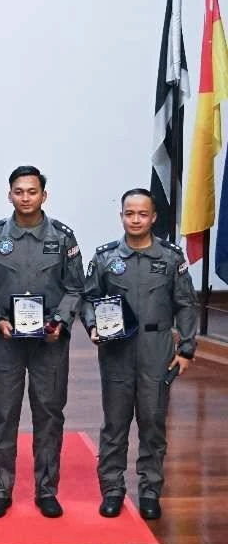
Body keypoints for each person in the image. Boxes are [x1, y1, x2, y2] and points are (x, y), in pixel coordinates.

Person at [0, 166, 85, 519]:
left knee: (49, 415)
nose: (25, 197)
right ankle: (0, 489)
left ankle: (46, 489)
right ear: (10, 195)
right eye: (18, 192)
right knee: (3, 416)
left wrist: (61, 321)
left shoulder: (63, 238)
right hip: (4, 340)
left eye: (32, 191)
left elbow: (75, 288)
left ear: (43, 195)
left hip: (49, 342)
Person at [81, 188, 198, 521]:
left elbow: (186, 304)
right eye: (129, 213)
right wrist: (93, 326)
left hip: (156, 349)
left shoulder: (171, 258)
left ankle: (149, 490)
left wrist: (186, 348)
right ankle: (113, 490)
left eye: (142, 214)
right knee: (115, 425)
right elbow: (89, 299)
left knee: (152, 423)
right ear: (121, 216)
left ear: (153, 217)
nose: (135, 219)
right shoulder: (105, 258)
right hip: (117, 350)